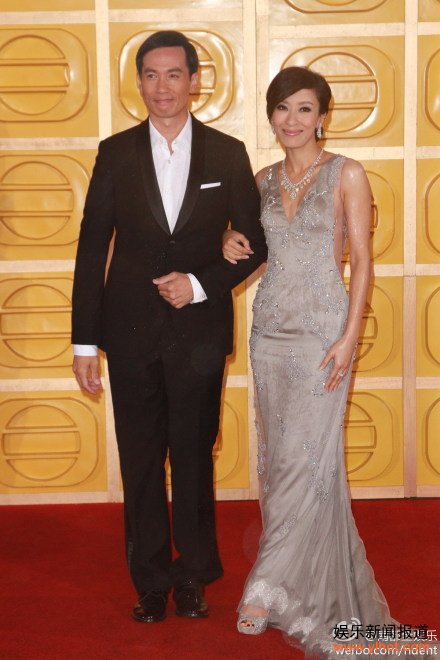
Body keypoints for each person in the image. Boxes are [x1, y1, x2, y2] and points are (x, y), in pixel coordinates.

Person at [71, 30, 267, 624]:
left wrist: (201, 283)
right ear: (139, 83)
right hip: (129, 333)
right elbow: (91, 248)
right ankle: (151, 580)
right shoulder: (115, 152)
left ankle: (193, 575)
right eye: (151, 75)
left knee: (192, 458)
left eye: (174, 74)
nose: (163, 87)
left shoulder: (227, 153)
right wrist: (84, 341)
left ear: (194, 81)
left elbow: (255, 243)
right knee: (139, 459)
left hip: (199, 335)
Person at [222, 66, 397, 656]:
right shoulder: (262, 180)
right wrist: (225, 241)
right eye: (282, 108)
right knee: (280, 461)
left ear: (322, 115)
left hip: (324, 334)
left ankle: (264, 588)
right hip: (269, 333)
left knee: (308, 460)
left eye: (304, 108)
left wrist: (350, 336)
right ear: (271, 116)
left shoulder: (347, 173)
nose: (291, 120)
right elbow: (251, 249)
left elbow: (362, 260)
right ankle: (289, 579)